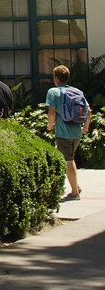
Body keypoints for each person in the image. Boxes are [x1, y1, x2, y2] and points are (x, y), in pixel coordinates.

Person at [46, 64, 91, 201]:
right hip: (77, 132)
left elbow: (52, 113)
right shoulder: (77, 91)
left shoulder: (53, 92)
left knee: (68, 161)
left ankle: (74, 192)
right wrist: (86, 127)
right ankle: (75, 186)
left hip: (63, 133)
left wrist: (49, 126)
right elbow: (88, 111)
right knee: (69, 159)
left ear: (56, 78)